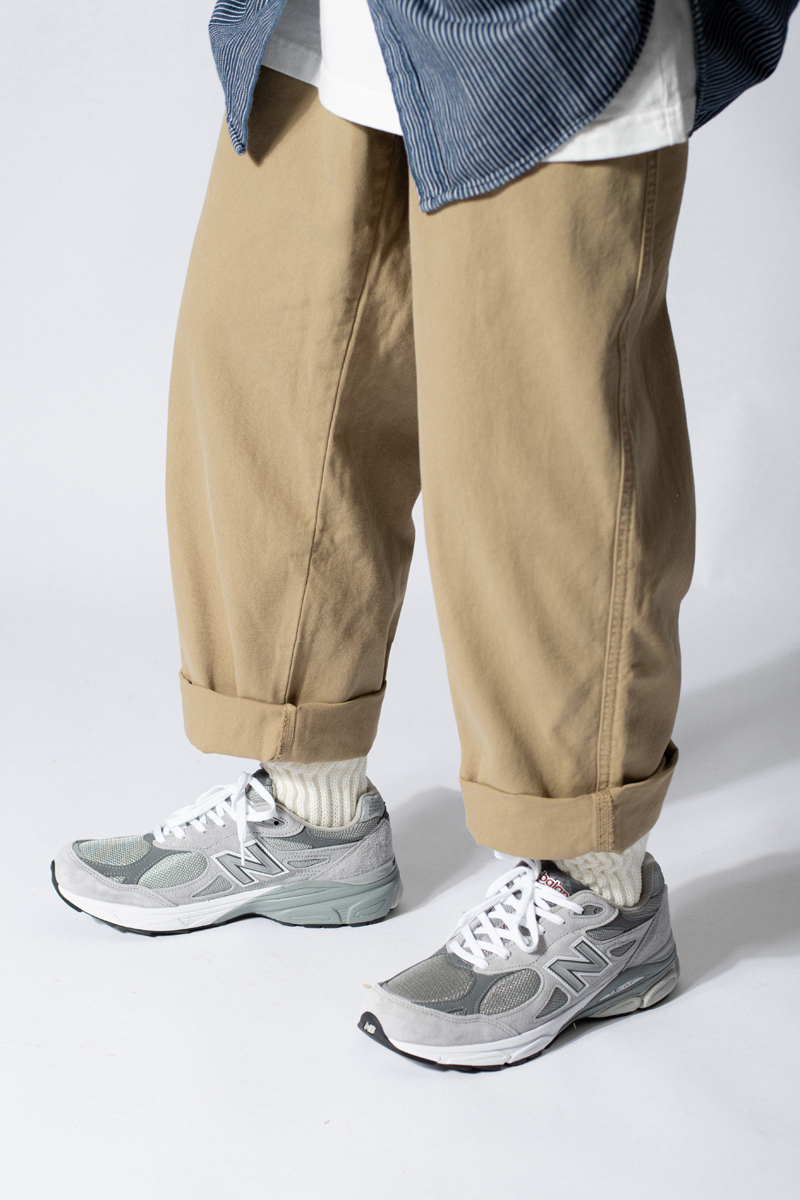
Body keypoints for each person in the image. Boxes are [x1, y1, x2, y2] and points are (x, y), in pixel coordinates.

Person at [52, 0, 796, 1070]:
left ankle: (596, 890)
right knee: (274, 346)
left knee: (535, 436)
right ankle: (310, 811)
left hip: (545, 27)